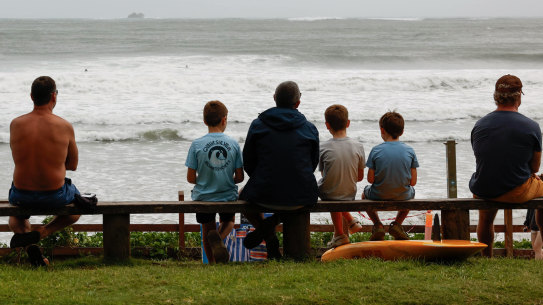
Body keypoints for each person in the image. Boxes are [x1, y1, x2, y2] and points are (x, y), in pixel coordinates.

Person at [240, 81, 319, 260]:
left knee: (242, 198)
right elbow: (312, 164)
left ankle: (268, 234)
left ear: (274, 99)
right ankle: (270, 225)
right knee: (295, 198)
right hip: (302, 195)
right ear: (298, 103)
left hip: (264, 193)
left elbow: (248, 161)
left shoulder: (258, 124)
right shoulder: (309, 128)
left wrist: (263, 178)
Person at [8, 76, 81, 266]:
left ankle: (27, 241)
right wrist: (54, 164)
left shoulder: (15, 124)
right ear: (54, 96)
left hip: (21, 195)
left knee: (15, 217)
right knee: (77, 208)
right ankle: (41, 233)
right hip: (54, 195)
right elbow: (72, 165)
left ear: (31, 97)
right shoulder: (64, 126)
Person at [470, 74, 543, 257]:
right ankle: (540, 236)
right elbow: (534, 168)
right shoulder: (531, 126)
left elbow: (483, 158)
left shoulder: (480, 125)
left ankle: (486, 258)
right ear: (519, 97)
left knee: (485, 219)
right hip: (516, 191)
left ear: (496, 96)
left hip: (484, 188)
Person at [185, 100, 244, 264]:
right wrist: (225, 178)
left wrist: (205, 179)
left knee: (207, 229)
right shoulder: (233, 143)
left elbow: (190, 179)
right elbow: (240, 177)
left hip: (203, 196)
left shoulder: (196, 144)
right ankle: (218, 237)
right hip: (227, 196)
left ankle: (211, 263)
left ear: (204, 121)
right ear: (224, 119)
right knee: (229, 221)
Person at [362, 111, 419, 241]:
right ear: (402, 131)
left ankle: (378, 225)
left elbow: (370, 180)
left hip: (378, 194)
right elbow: (413, 182)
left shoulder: (376, 150)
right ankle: (397, 224)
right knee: (412, 193)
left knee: (364, 195)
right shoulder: (410, 150)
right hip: (403, 195)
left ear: (382, 130)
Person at [318, 105, 365, 248]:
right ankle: (350, 221)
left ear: (327, 125)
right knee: (337, 190)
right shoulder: (358, 146)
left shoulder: (323, 147)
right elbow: (359, 177)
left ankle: (339, 233)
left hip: (330, 193)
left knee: (330, 189)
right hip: (350, 192)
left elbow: (325, 175)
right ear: (348, 123)